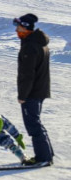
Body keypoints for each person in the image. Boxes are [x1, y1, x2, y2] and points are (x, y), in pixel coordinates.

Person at [14, 13, 53, 165]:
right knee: (36, 122)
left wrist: (23, 95)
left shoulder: (30, 46)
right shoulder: (39, 42)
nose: (17, 30)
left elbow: (27, 74)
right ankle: (47, 154)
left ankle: (43, 157)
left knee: (33, 124)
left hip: (32, 92)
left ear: (26, 28)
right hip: (40, 90)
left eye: (19, 27)